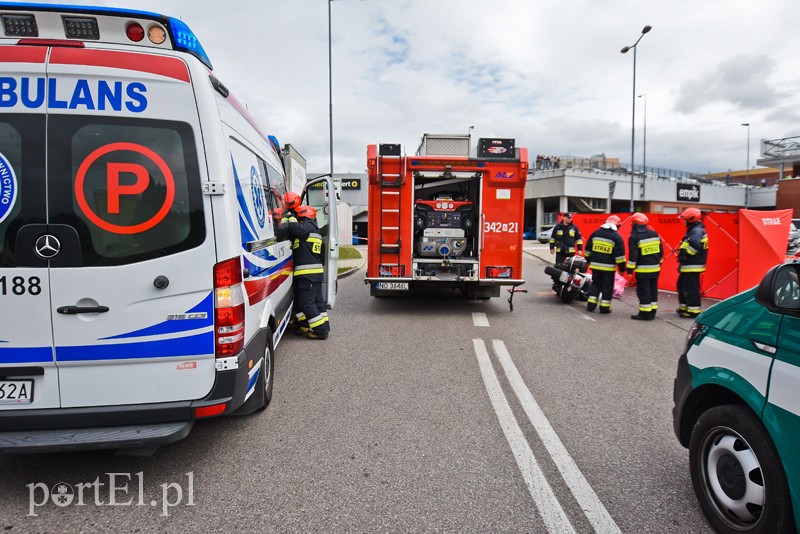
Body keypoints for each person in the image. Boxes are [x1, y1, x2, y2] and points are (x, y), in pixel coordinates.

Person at [282, 205, 330, 339]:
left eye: (298, 216)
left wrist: (290, 217)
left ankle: (321, 331)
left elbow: (294, 228)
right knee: (317, 302)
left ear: (303, 216)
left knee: (306, 303)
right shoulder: (314, 229)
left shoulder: (306, 227)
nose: (297, 218)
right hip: (314, 273)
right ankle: (323, 325)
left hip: (307, 273)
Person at [584, 215, 626, 314]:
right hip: (608, 269)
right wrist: (622, 269)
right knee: (607, 287)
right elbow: (620, 257)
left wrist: (590, 261)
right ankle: (604, 308)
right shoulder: (617, 237)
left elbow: (587, 251)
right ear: (617, 226)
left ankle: (591, 306)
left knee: (595, 285)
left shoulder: (595, 234)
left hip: (595, 267)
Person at [626, 213, 664, 320]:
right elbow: (661, 252)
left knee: (644, 291)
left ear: (633, 224)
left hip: (643, 270)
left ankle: (645, 313)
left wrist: (629, 269)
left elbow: (634, 255)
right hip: (655, 269)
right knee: (653, 290)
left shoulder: (634, 237)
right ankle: (652, 312)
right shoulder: (654, 234)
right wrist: (659, 263)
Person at [677, 207, 708, 319]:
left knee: (691, 289)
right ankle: (684, 307)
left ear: (691, 219)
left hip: (692, 265)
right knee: (682, 286)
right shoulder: (694, 230)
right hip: (689, 265)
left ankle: (693, 311)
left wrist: (685, 254)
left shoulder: (696, 231)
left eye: (684, 219)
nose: (683, 221)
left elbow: (695, 246)